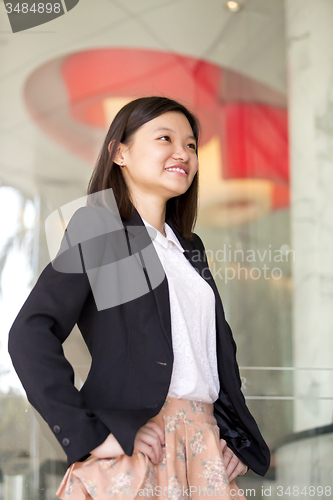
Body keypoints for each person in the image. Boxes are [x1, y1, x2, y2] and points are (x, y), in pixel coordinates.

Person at [8, 96, 270, 500]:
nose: (182, 153)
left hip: (204, 453)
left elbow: (207, 354)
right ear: (120, 152)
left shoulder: (188, 248)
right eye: (165, 138)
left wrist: (234, 437)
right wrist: (89, 434)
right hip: (139, 448)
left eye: (191, 145)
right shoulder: (105, 230)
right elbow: (30, 333)